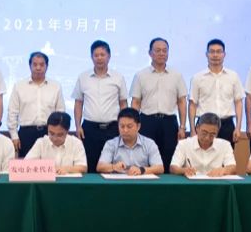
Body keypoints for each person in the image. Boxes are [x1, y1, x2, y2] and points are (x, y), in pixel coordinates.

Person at [130, 37, 187, 171]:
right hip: (147, 121)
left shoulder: (176, 75)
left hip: (169, 122)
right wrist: (133, 125)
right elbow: (136, 102)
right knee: (146, 158)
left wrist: (183, 127)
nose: (161, 53)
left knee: (168, 158)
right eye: (158, 50)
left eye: (164, 50)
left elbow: (182, 102)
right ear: (150, 53)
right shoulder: (140, 75)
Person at [73, 39, 129, 171]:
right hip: (90, 129)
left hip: (112, 128)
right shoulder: (83, 77)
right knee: (91, 165)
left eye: (102, 55)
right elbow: (78, 103)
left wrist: (124, 126)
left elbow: (123, 103)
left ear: (109, 56)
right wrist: (77, 126)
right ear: (91, 57)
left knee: (113, 165)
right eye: (96, 55)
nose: (99, 58)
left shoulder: (118, 77)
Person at [189, 39, 246, 146]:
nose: (215, 55)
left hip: (226, 125)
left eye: (219, 52)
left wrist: (238, 128)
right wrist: (192, 130)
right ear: (206, 54)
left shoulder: (233, 76)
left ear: (224, 54)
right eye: (212, 51)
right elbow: (192, 104)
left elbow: (238, 102)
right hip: (204, 124)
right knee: (202, 156)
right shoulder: (197, 78)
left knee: (226, 156)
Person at [8, 51, 65, 157]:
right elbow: (12, 112)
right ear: (30, 66)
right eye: (35, 64)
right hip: (26, 134)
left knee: (50, 164)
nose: (38, 68)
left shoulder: (55, 86)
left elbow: (61, 112)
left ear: (47, 66)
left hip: (49, 133)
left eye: (42, 64)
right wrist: (14, 135)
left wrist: (59, 134)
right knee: (27, 164)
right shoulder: (19, 86)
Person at [96, 108, 163, 176]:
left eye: (129, 126)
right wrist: (114, 167)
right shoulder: (111, 144)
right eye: (122, 126)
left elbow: (160, 168)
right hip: (118, 181)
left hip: (140, 180)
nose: (125, 130)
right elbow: (100, 167)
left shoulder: (149, 144)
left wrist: (141, 170)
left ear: (138, 126)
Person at [171, 113, 238, 177]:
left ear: (217, 132)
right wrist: (184, 170)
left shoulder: (225, 145)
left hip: (215, 182)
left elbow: (233, 168)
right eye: (204, 133)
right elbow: (173, 167)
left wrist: (224, 170)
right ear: (197, 128)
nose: (207, 138)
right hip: (192, 182)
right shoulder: (184, 144)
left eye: (212, 134)